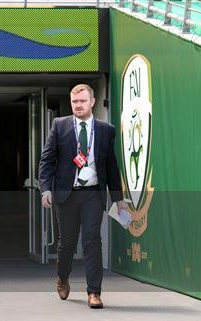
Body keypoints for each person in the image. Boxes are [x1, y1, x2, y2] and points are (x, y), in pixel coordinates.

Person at [38, 84, 127, 309]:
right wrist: (46, 188)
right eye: (75, 102)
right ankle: (63, 277)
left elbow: (111, 166)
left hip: (93, 195)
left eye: (82, 102)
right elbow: (47, 160)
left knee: (91, 240)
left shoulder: (106, 130)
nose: (78, 106)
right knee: (66, 243)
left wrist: (118, 199)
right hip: (66, 194)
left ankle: (94, 292)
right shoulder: (59, 126)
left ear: (92, 102)